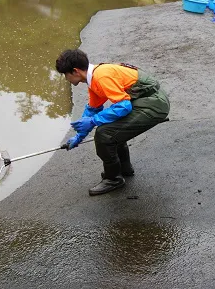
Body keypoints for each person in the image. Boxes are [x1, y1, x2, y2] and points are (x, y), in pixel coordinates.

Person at [56, 49, 170, 196]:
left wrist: (93, 121)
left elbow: (124, 106)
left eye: (66, 75)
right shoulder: (94, 78)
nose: (66, 79)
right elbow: (93, 109)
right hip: (145, 101)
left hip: (154, 104)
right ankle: (124, 169)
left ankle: (113, 179)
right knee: (112, 128)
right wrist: (79, 136)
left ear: (75, 71)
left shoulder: (101, 76)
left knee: (104, 134)